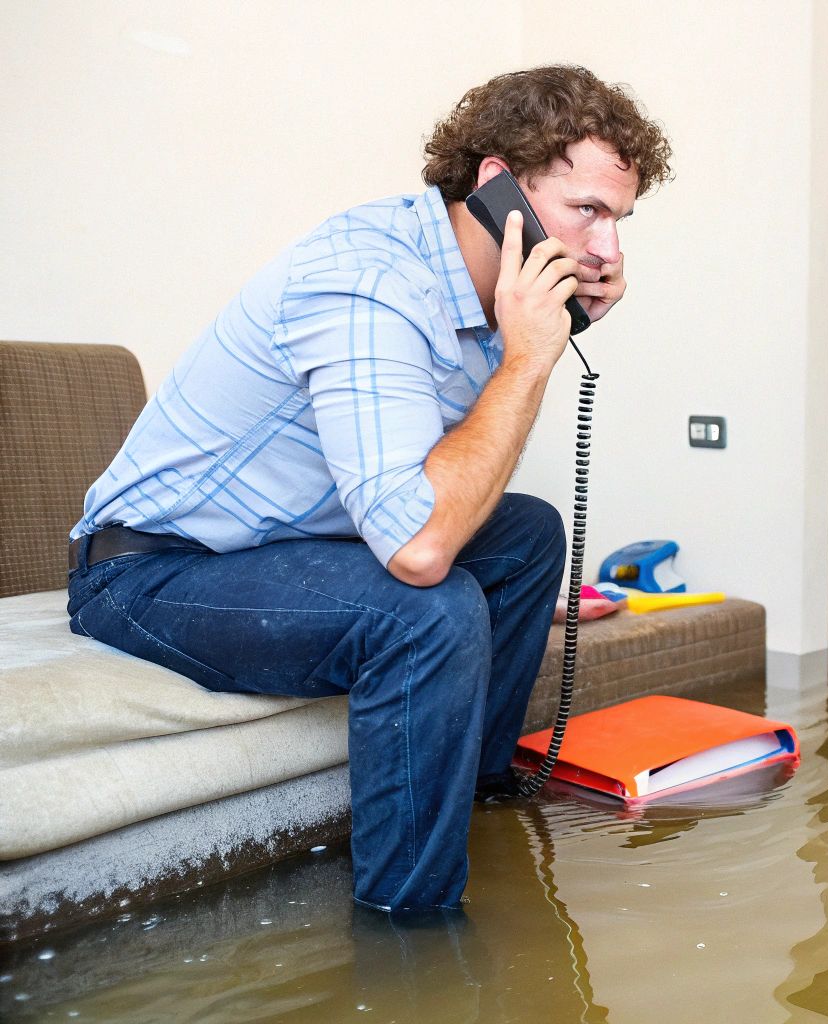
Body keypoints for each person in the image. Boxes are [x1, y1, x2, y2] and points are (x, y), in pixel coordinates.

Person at [65, 65, 673, 913]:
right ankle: (411, 929)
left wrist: (525, 338)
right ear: (501, 190)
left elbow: (445, 477)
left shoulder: (481, 290)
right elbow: (420, 548)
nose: (609, 252)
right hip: (147, 574)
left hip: (295, 546)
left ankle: (478, 795)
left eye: (621, 220)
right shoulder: (369, 280)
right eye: (588, 212)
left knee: (527, 534)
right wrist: (533, 354)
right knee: (427, 610)